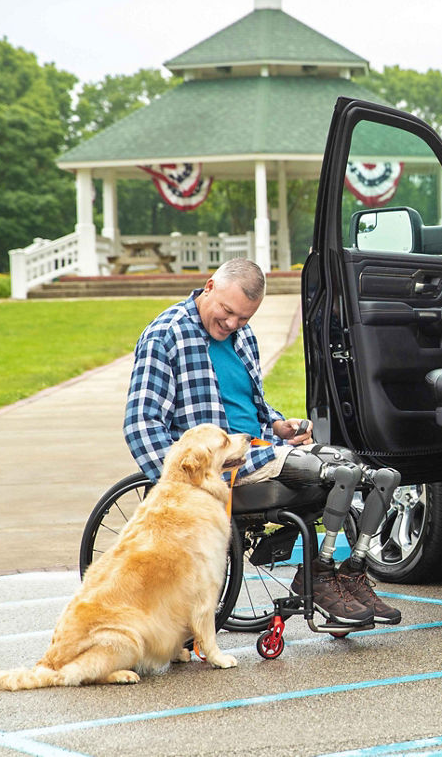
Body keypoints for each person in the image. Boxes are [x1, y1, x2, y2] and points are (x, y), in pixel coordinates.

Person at [123, 257, 401, 626]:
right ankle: (317, 577)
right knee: (337, 472)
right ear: (209, 287)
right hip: (220, 467)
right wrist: (178, 481)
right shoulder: (166, 335)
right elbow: (140, 423)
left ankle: (351, 571)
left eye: (244, 318)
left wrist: (278, 424)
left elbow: (251, 403)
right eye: (227, 311)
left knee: (374, 472)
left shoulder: (242, 336)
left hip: (261, 451)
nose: (233, 324)